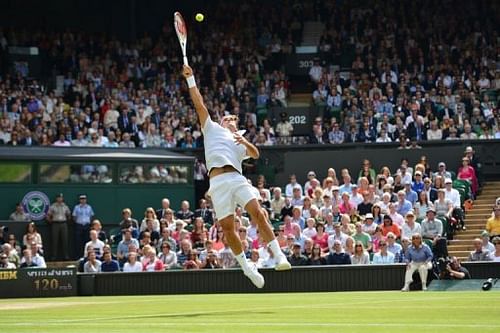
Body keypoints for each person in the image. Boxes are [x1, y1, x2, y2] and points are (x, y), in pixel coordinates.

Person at [182, 64, 290, 288]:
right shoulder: (210, 128)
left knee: (258, 214)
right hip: (218, 182)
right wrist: (191, 79)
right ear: (221, 121)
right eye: (227, 117)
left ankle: (279, 255)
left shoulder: (240, 141)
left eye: (233, 119)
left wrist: (244, 141)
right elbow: (199, 103)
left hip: (237, 178)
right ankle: (247, 268)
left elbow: (255, 154)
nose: (230, 119)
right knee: (228, 229)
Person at [46, 193, 71, 260]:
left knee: (65, 240)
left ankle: (66, 256)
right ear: (56, 198)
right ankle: (54, 256)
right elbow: (48, 215)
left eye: (61, 197)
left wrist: (67, 221)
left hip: (64, 224)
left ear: (62, 198)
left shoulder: (65, 206)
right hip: (55, 224)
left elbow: (69, 214)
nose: (60, 199)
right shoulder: (53, 206)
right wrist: (51, 221)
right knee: (54, 240)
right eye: (58, 197)